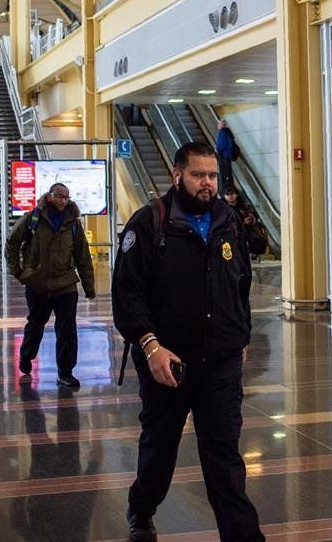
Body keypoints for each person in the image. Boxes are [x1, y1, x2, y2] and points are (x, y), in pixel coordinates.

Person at [112, 141, 262, 542]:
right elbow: (127, 295)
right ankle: (141, 510)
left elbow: (241, 284)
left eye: (213, 175)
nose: (207, 183)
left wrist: (239, 336)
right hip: (168, 362)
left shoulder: (228, 220)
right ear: (178, 175)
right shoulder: (148, 224)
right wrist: (151, 346)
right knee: (160, 448)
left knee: (224, 457)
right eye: (199, 175)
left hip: (220, 363)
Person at [4, 183, 96, 390]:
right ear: (50, 195)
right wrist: (17, 271)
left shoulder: (73, 223)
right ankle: (26, 356)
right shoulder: (34, 218)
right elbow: (12, 241)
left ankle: (65, 372)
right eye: (59, 196)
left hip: (65, 285)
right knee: (36, 324)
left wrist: (89, 287)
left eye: (66, 197)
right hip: (38, 284)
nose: (62, 200)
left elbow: (83, 257)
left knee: (67, 330)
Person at [222, 187, 268, 259]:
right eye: (227, 194)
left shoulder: (244, 205)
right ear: (224, 196)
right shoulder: (224, 209)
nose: (230, 196)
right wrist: (243, 222)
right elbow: (226, 222)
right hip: (235, 232)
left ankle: (254, 253)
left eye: (232, 194)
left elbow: (255, 215)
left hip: (249, 230)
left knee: (258, 237)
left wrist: (253, 218)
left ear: (236, 194)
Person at [215, 120, 239, 193]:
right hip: (228, 155)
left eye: (219, 124)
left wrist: (216, 149)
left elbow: (222, 144)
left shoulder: (222, 132)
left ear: (222, 125)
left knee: (224, 173)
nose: (218, 125)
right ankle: (231, 189)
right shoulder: (228, 132)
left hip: (223, 155)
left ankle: (225, 191)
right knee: (228, 173)